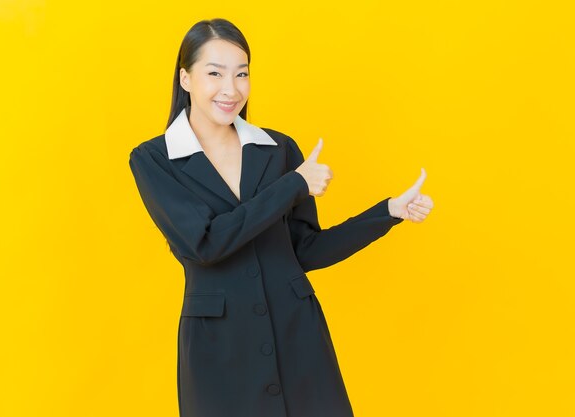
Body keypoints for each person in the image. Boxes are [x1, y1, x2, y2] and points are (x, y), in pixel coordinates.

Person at [129, 18, 434, 417]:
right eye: (214, 73)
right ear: (185, 78)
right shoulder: (154, 159)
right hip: (219, 348)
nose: (231, 89)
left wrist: (388, 212)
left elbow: (306, 250)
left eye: (242, 74)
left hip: (297, 334)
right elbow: (204, 243)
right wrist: (293, 186)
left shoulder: (277, 148)